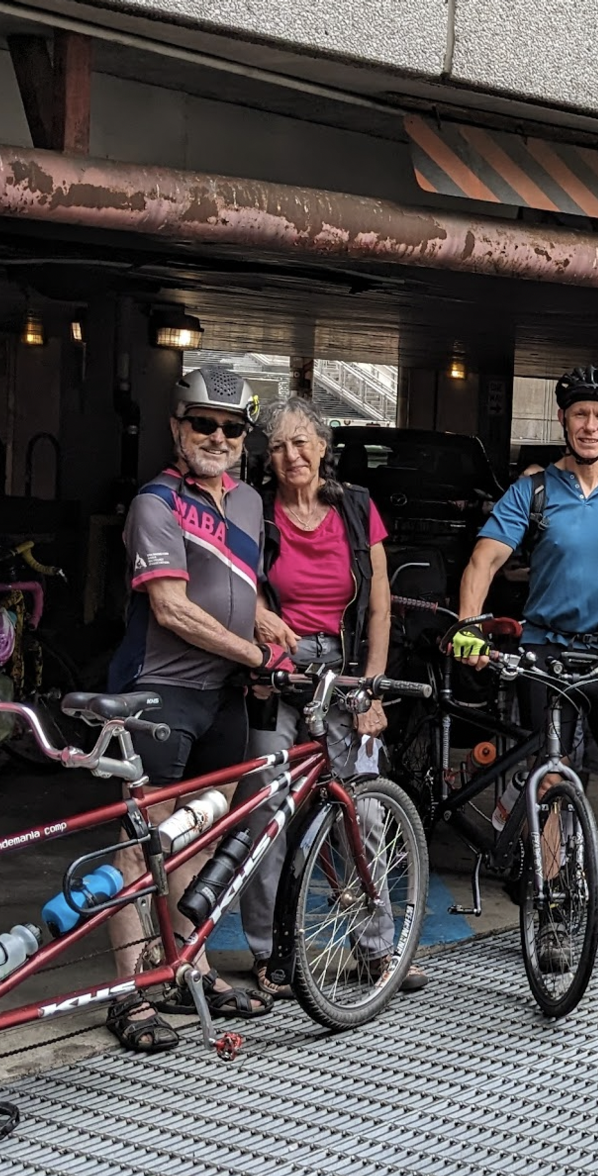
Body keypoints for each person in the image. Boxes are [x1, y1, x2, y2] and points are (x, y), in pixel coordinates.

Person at [453, 365, 598, 982]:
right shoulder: (533, 492)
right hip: (545, 656)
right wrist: (469, 626)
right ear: (563, 420)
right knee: (551, 791)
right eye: (580, 414)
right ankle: (552, 914)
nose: (590, 425)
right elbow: (483, 561)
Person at [104, 365, 283, 1051]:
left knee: (199, 838)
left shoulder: (247, 504)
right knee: (137, 840)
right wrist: (253, 653)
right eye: (203, 423)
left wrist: (269, 627)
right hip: (158, 690)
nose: (217, 436)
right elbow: (173, 607)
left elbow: (236, 587)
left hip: (223, 695)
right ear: (178, 428)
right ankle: (129, 991)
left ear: (244, 439)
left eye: (231, 428)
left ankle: (188, 970)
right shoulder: (156, 501)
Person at [239, 394, 424, 998]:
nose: (291, 455)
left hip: (342, 673)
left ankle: (376, 949)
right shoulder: (257, 513)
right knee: (267, 811)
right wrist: (264, 624)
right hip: (278, 674)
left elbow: (378, 609)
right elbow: (244, 588)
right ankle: (268, 955)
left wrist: (371, 690)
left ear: (323, 447)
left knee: (364, 812)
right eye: (279, 447)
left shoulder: (356, 509)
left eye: (302, 442)